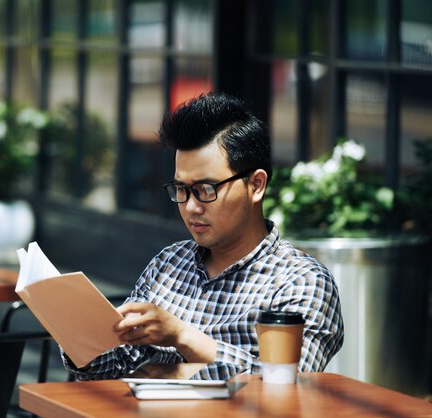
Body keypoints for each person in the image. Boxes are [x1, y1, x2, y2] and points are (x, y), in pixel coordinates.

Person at [62, 92, 343, 380]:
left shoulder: (301, 281)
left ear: (256, 185)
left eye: (207, 189)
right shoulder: (169, 264)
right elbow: (113, 366)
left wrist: (181, 337)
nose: (191, 206)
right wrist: (76, 334)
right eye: (181, 189)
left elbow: (285, 386)